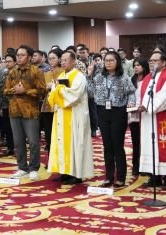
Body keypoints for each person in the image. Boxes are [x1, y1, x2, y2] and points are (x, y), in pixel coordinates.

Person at [136, 51, 166, 190]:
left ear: (163, 62)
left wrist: (147, 106)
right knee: (150, 145)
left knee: (165, 146)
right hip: (148, 118)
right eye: (150, 60)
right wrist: (138, 105)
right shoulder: (148, 78)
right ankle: (154, 177)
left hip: (164, 118)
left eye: (155, 60)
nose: (152, 63)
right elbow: (140, 95)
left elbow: (165, 97)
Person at [88, 51, 135, 187]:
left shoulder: (124, 77)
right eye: (106, 60)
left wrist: (131, 102)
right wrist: (89, 76)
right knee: (107, 146)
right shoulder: (98, 77)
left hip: (118, 111)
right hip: (102, 111)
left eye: (111, 60)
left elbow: (131, 92)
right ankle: (109, 177)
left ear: (117, 62)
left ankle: (120, 177)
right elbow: (90, 93)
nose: (108, 63)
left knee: (117, 146)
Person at [48, 51, 94, 185]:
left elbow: (74, 95)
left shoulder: (79, 76)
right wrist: (56, 89)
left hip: (75, 116)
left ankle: (77, 174)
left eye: (65, 60)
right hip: (62, 115)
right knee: (62, 143)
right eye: (61, 60)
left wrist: (57, 89)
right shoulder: (62, 75)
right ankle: (65, 172)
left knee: (76, 144)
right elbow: (54, 93)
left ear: (73, 61)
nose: (63, 62)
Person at [4, 45, 47, 180]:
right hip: (14, 111)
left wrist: (26, 91)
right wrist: (14, 90)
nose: (19, 57)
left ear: (29, 57)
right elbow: (5, 91)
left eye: (22, 55)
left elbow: (42, 91)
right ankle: (22, 167)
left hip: (30, 111)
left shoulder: (36, 71)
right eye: (18, 55)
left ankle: (34, 167)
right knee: (18, 142)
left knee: (33, 141)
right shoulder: (12, 72)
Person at [129, 57, 149, 177]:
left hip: (146, 113)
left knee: (146, 142)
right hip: (134, 114)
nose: (136, 67)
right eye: (134, 65)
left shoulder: (149, 79)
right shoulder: (132, 80)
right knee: (136, 142)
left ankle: (146, 166)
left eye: (139, 65)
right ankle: (136, 166)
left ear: (144, 66)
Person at [42, 49, 63, 154]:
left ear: (60, 59)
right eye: (49, 58)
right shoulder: (46, 73)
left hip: (60, 105)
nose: (51, 60)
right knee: (48, 134)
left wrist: (54, 86)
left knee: (59, 134)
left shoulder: (64, 72)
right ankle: (51, 160)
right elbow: (42, 88)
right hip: (47, 105)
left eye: (53, 58)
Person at [0, 54, 16, 157]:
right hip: (5, 104)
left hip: (16, 104)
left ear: (14, 62)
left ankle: (17, 147)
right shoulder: (3, 72)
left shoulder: (17, 72)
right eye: (5, 61)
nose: (7, 63)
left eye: (9, 61)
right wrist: (0, 105)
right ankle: (10, 147)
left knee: (16, 128)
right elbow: (0, 89)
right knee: (7, 128)